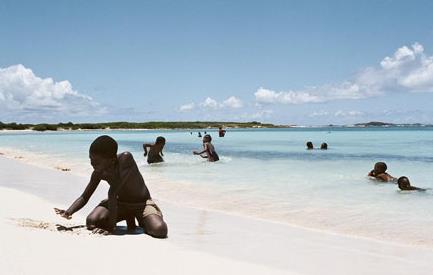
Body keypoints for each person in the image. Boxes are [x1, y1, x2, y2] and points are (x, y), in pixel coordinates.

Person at [54, 135, 168, 237]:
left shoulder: (125, 159)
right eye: (91, 159)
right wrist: (69, 212)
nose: (92, 164)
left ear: (112, 160)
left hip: (141, 204)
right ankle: (129, 216)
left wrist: (110, 228)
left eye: (97, 161)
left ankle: (141, 218)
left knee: (160, 230)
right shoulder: (98, 172)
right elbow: (84, 196)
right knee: (91, 221)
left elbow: (112, 193)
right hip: (120, 203)